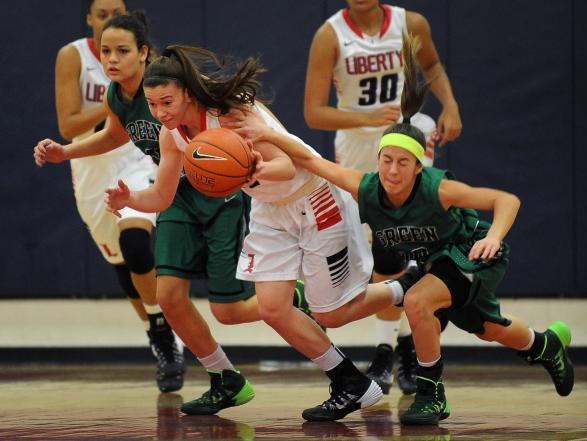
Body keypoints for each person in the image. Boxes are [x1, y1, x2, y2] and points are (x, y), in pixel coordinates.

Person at [227, 33, 575, 425]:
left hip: (470, 251)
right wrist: (267, 137)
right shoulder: (367, 187)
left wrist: (494, 238)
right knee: (490, 329)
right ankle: (544, 345)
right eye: (386, 161)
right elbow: (313, 160)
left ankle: (431, 395)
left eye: (402, 163)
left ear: (418, 166)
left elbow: (506, 200)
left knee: (417, 301)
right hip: (436, 262)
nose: (392, 171)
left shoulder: (439, 189)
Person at [105, 44, 425, 421]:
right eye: (153, 105)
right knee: (274, 308)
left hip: (314, 197)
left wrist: (252, 170)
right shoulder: (170, 136)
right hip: (271, 211)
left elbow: (287, 166)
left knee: (333, 314)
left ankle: (408, 284)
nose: (160, 113)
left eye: (166, 103)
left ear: (187, 93)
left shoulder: (232, 115)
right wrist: (130, 198)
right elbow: (161, 195)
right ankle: (350, 382)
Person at [33, 12, 268, 415]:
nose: (111, 59)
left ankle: (291, 295)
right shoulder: (115, 95)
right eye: (106, 51)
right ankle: (224, 378)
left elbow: (231, 109)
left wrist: (254, 146)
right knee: (169, 298)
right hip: (172, 190)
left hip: (214, 193)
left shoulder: (166, 87)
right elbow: (113, 134)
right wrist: (64, 151)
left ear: (144, 53)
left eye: (122, 51)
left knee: (228, 309)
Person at [304, 0, 463, 395]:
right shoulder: (330, 35)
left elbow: (432, 66)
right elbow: (313, 113)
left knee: (411, 239)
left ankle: (395, 350)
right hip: (358, 146)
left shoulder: (411, 22)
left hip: (407, 136)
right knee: (382, 249)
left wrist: (451, 104)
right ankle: (391, 345)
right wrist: (367, 118)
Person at [34, 0, 183, 393]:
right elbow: (68, 124)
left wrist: (134, 101)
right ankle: (157, 329)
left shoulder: (146, 69)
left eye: (114, 13)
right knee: (121, 263)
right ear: (89, 19)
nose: (107, 23)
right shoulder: (74, 56)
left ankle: (166, 329)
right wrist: (119, 100)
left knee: (135, 243)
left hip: (137, 156)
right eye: (100, 15)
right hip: (91, 162)